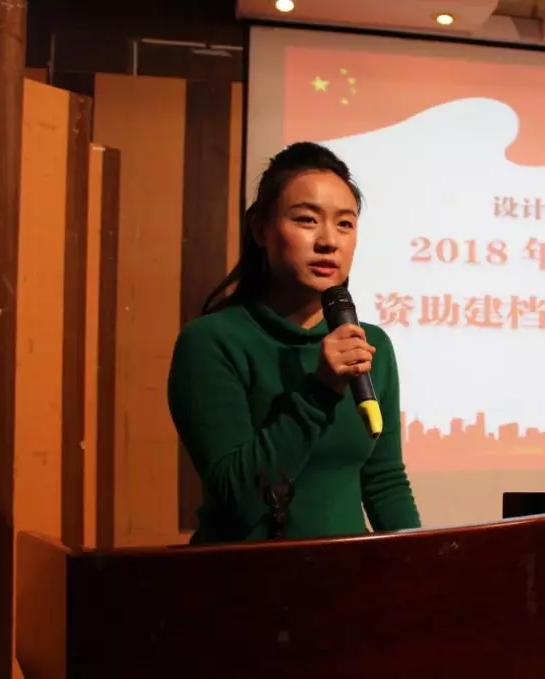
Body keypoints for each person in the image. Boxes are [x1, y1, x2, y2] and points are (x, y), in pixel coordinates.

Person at [167, 141, 421, 544]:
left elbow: (384, 481)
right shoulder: (212, 341)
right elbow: (237, 497)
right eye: (307, 220)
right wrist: (319, 392)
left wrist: (426, 564)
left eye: (345, 224)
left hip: (348, 574)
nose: (328, 241)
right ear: (260, 229)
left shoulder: (371, 343)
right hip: (247, 574)